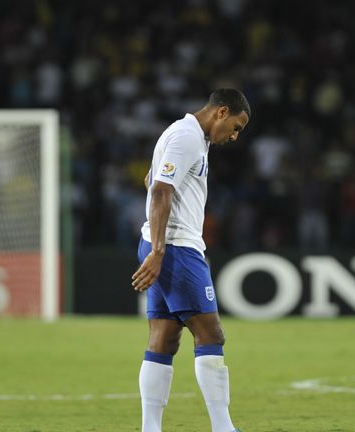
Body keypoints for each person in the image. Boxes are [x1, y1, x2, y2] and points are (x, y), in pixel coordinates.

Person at [132, 89, 250, 432]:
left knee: (165, 337)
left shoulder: (187, 135)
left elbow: (153, 179)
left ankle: (150, 428)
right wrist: (158, 251)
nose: (234, 135)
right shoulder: (186, 137)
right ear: (221, 112)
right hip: (175, 247)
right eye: (236, 126)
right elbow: (158, 190)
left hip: (163, 243)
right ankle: (223, 427)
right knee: (211, 334)